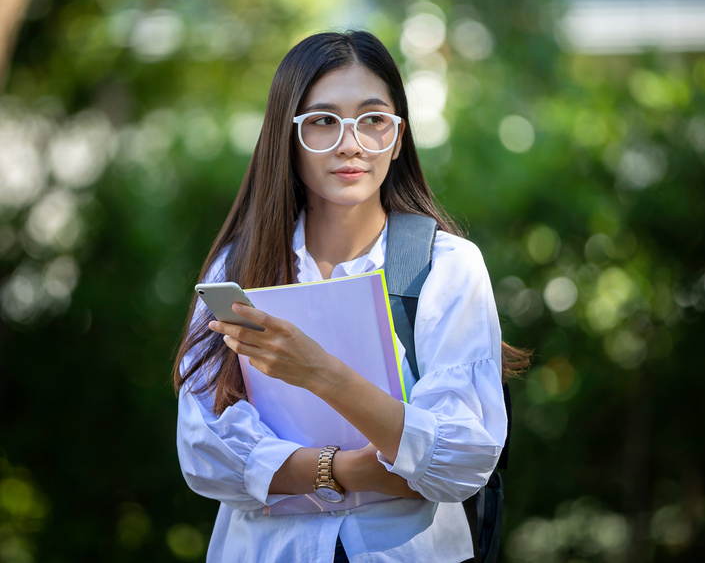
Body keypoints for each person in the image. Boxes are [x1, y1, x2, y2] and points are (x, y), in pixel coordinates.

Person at [173, 30, 527, 562]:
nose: (350, 142)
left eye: (373, 119)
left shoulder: (446, 267)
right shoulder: (238, 270)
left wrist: (319, 373)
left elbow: (460, 459)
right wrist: (350, 469)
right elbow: (205, 453)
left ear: (399, 136)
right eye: (322, 121)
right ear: (286, 137)